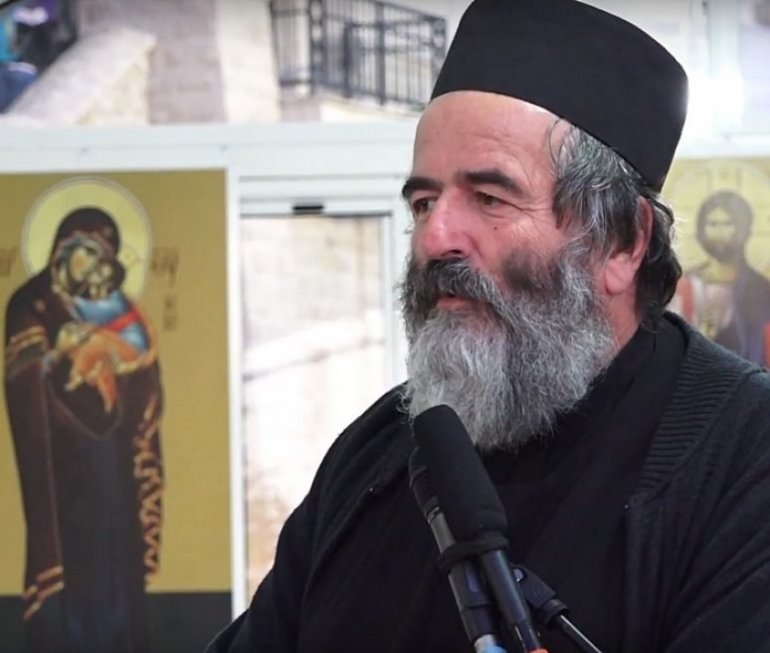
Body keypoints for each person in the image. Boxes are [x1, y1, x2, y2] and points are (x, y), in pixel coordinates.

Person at [208, 0, 770, 651]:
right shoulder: (374, 451)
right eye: (424, 202)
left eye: (489, 198)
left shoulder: (746, 460)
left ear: (622, 241)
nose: (434, 237)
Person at [4, 206, 164, 653]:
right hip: (60, 462)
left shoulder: (115, 306)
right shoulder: (32, 303)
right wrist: (60, 360)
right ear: (63, 249)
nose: (92, 267)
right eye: (87, 254)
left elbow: (143, 377)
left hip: (113, 459)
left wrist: (117, 362)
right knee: (76, 559)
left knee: (116, 552)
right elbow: (24, 380)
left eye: (102, 260)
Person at [672, 189, 770, 366]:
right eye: (712, 224)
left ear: (743, 229)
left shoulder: (761, 289)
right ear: (701, 229)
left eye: (728, 224)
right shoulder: (686, 286)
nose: (719, 232)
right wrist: (701, 337)